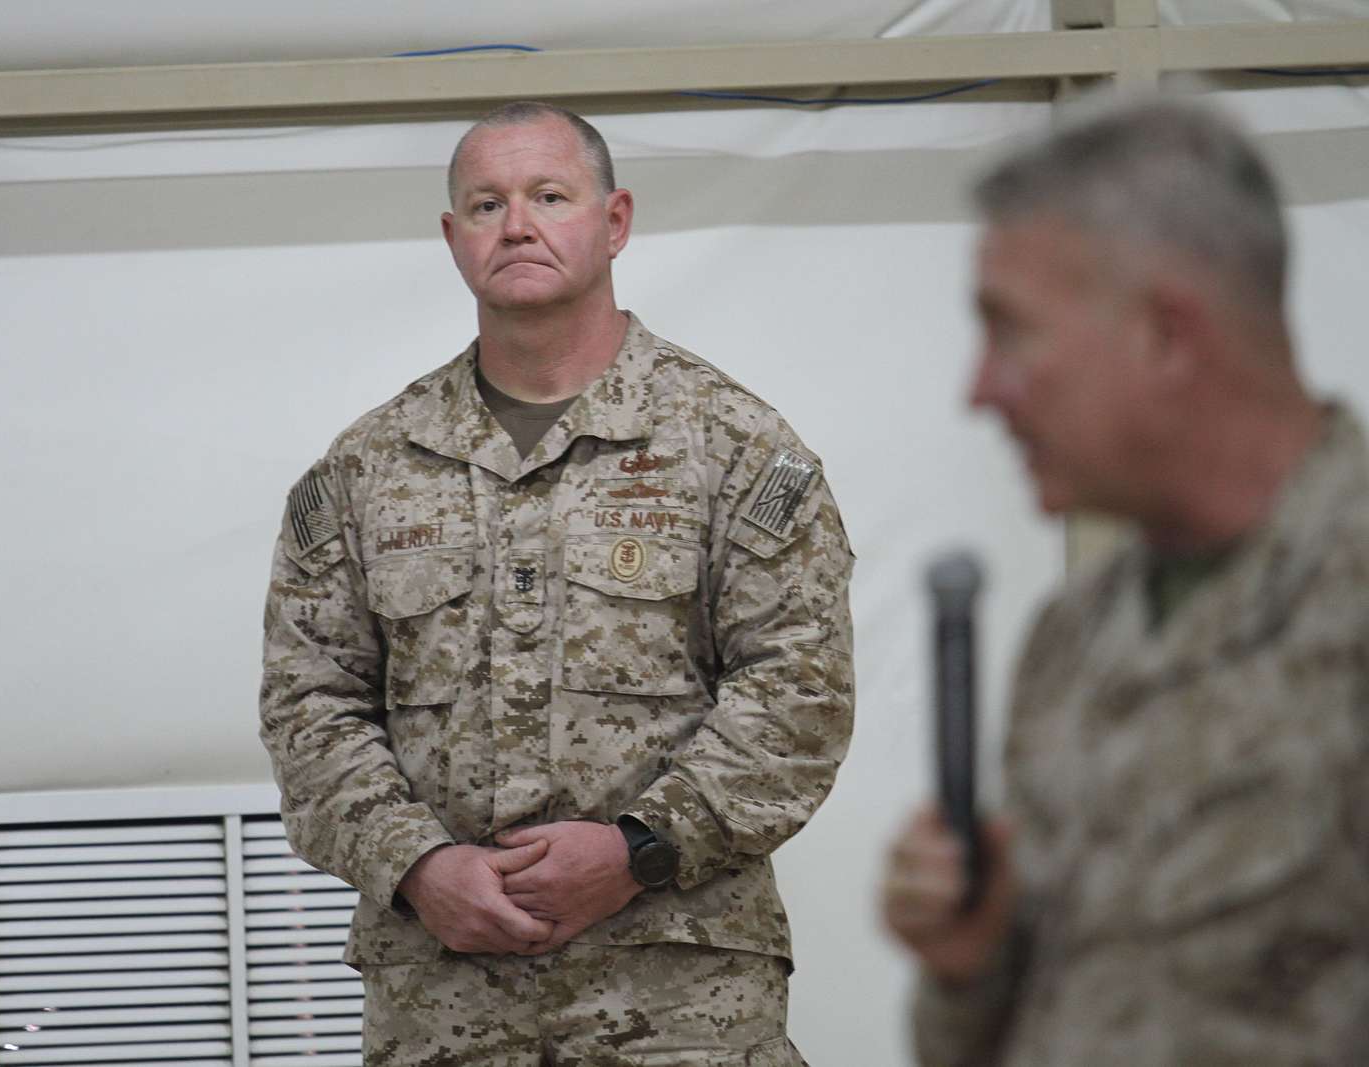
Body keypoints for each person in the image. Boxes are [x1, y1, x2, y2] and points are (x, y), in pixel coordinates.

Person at [259, 100, 854, 1065]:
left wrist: (639, 848)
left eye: (549, 196)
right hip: (443, 1001)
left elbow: (799, 694)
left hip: (677, 999)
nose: (518, 225)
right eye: (487, 205)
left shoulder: (732, 444)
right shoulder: (370, 467)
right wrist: (417, 866)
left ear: (614, 221)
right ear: (455, 239)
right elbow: (309, 706)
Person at [880, 96, 1369, 1065]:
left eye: (1010, 332)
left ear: (1165, 336)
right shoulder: (1073, 637)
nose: (978, 390)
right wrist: (962, 964)